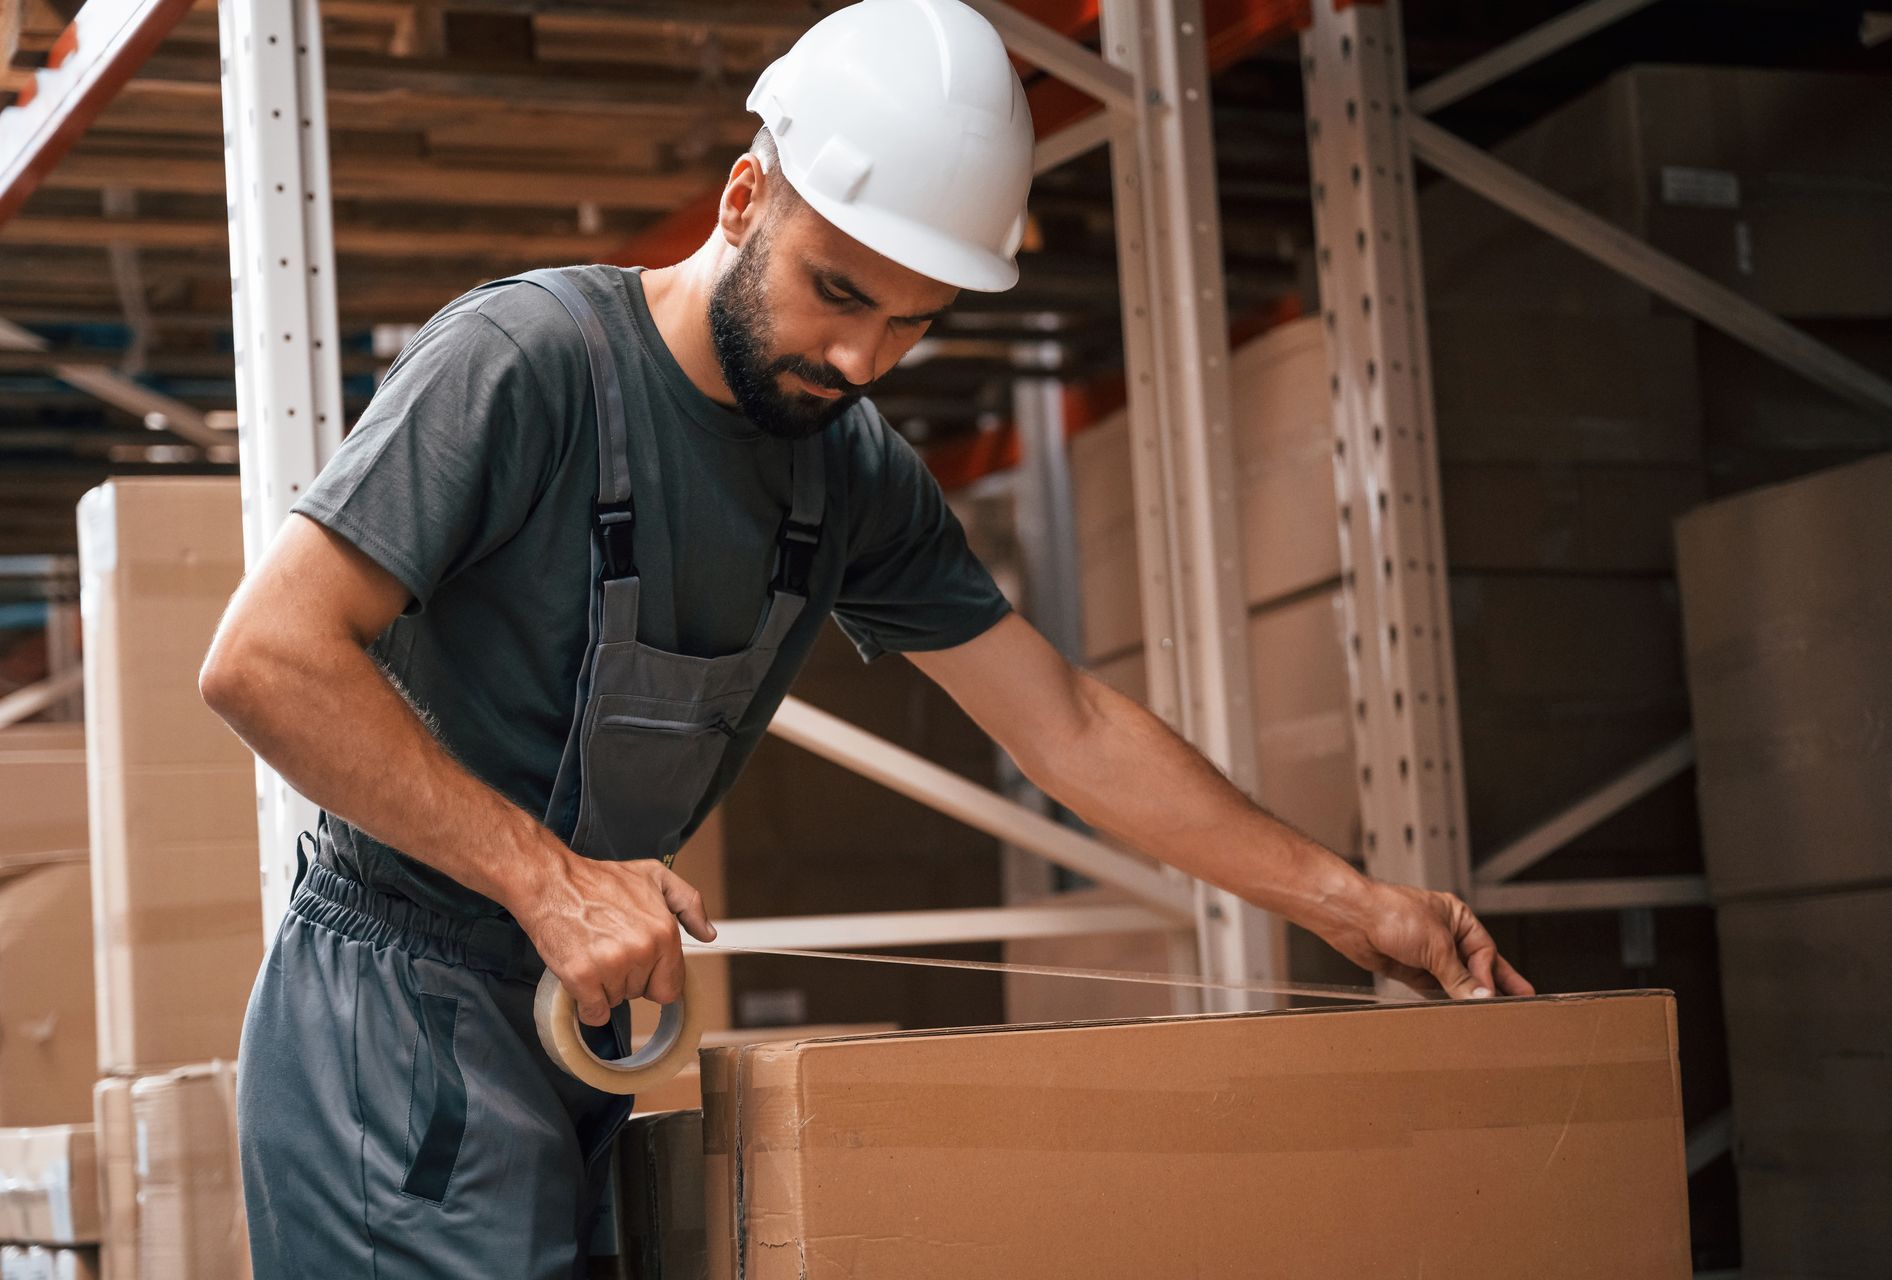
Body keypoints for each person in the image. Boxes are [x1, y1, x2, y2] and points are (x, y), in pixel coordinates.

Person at [199, 0, 1533, 1275]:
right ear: (742, 199)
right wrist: (552, 884)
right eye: (835, 291)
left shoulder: (851, 473)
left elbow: (1064, 724)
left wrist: (1352, 903)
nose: (860, 361)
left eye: (911, 321)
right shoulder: (527, 361)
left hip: (580, 1019)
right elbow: (265, 657)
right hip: (399, 1014)